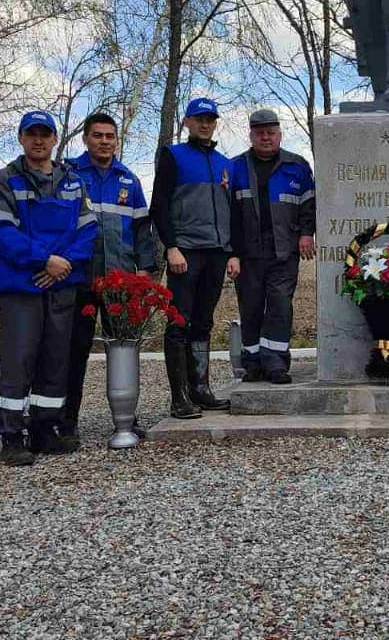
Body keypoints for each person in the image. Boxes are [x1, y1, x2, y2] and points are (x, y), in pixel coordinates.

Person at [0, 110, 98, 466]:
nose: (38, 140)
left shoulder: (73, 181)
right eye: (31, 134)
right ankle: (11, 435)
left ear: (54, 139)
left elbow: (88, 229)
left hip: (61, 282)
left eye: (45, 134)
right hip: (23, 284)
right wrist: (44, 260)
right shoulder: (4, 181)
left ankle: (45, 430)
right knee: (19, 360)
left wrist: (61, 265)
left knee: (55, 358)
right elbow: (2, 233)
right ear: (20, 138)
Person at [61, 112, 158, 446]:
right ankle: (66, 421)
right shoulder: (69, 175)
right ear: (85, 139)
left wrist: (145, 270)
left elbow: (142, 229)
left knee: (123, 350)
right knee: (74, 352)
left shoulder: (128, 180)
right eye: (98, 135)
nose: (105, 141)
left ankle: (126, 418)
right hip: (80, 279)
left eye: (110, 136)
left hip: (120, 284)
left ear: (117, 140)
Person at [150, 97, 237, 419]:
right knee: (179, 322)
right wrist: (171, 246)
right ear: (187, 122)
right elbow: (159, 204)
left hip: (216, 253)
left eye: (210, 119)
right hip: (185, 253)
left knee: (203, 322)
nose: (205, 124)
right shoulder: (173, 156)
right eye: (199, 118)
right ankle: (179, 396)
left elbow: (232, 213)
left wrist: (232, 253)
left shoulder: (225, 163)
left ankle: (201, 388)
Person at [228, 110, 315, 384]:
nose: (265, 137)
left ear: (280, 134)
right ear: (251, 135)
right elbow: (226, 214)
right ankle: (252, 363)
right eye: (260, 133)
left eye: (271, 132)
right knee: (251, 307)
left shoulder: (297, 166)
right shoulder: (234, 167)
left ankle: (276, 363)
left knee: (279, 306)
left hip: (284, 251)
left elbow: (309, 206)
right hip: (247, 253)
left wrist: (306, 234)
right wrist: (231, 253)